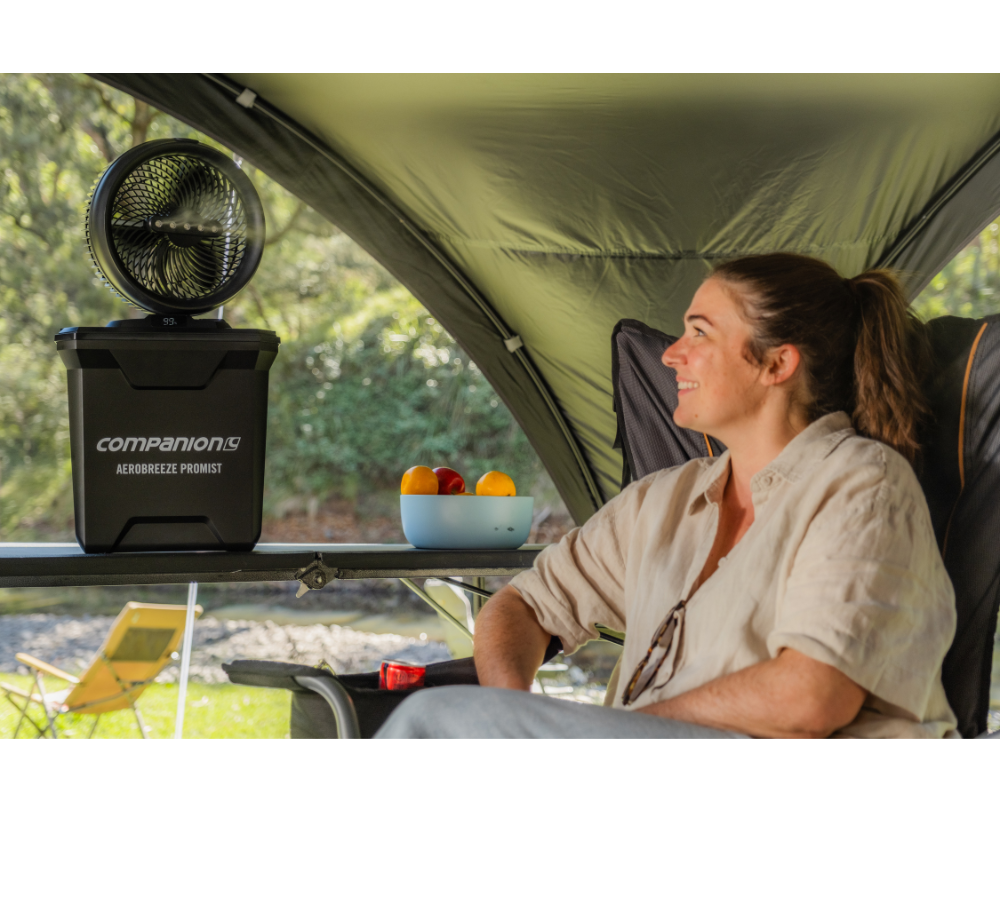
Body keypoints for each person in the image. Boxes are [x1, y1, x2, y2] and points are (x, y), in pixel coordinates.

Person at [377, 253, 959, 739]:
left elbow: (810, 698)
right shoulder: (665, 501)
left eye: (699, 333)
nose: (672, 353)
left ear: (777, 363)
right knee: (449, 724)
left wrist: (615, 735)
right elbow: (520, 607)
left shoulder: (863, 485)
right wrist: (512, 712)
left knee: (430, 719)